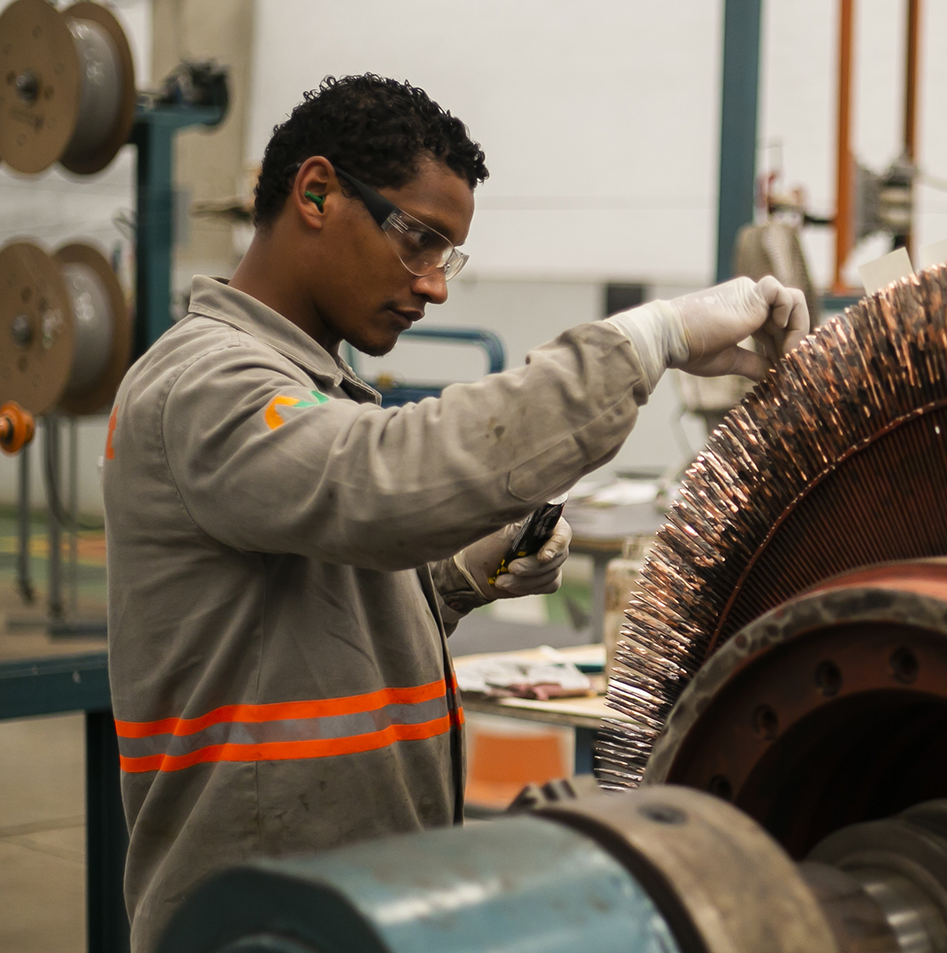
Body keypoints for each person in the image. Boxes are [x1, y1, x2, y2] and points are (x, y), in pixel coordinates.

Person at [101, 75, 809, 949]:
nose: (435, 286)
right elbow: (377, 484)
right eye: (419, 241)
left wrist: (461, 573)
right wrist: (646, 340)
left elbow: (310, 614)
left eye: (449, 257)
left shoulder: (307, 386)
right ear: (316, 194)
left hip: (354, 896)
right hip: (260, 916)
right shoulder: (205, 383)